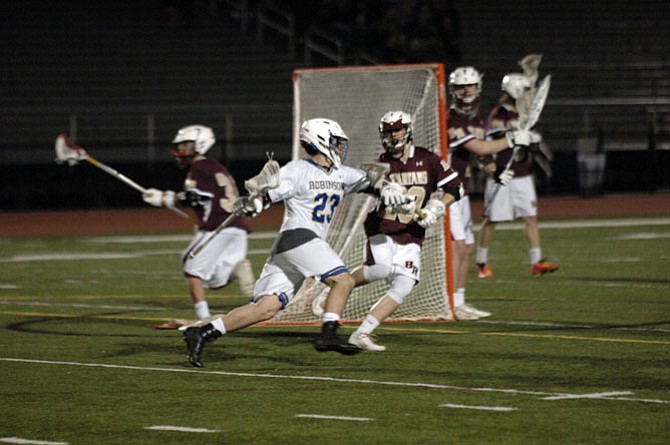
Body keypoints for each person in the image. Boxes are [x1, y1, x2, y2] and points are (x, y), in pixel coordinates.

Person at [180, 118, 404, 367]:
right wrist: (254, 203)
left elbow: (371, 179)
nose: (340, 148)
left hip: (296, 245)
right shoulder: (297, 170)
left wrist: (387, 188)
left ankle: (202, 333)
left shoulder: (341, 174)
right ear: (321, 141)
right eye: (336, 143)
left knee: (265, 309)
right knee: (343, 280)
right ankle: (328, 335)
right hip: (298, 236)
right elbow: (268, 194)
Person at [347, 111, 464, 351]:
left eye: (397, 129)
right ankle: (342, 284)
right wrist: (381, 188)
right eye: (389, 131)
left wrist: (437, 206)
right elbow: (362, 185)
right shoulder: (380, 164)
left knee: (404, 284)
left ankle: (362, 333)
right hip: (384, 229)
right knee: (380, 269)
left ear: (408, 130)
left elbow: (455, 187)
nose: (393, 135)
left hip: (412, 234)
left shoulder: (427, 158)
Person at [142, 125, 255, 323]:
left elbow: (194, 198)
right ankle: (236, 269)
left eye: (186, 145)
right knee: (213, 279)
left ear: (200, 144)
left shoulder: (199, 168)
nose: (181, 150)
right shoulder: (215, 166)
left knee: (191, 268)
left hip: (218, 227)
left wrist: (164, 199)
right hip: (236, 227)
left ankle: (203, 318)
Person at [446, 66, 534, 320]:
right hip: (444, 189)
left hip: (459, 189)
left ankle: (459, 302)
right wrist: (512, 139)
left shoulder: (475, 119)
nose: (467, 90)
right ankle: (451, 304)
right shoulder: (451, 118)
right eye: (462, 86)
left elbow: (481, 156)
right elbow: (479, 145)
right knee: (458, 246)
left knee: (467, 247)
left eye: (471, 85)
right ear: (454, 90)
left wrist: (494, 172)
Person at [476, 73, 559, 278]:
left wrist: (532, 139)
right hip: (502, 173)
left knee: (531, 217)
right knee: (492, 220)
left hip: (523, 174)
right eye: (524, 91)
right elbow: (492, 135)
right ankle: (481, 263)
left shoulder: (524, 113)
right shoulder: (499, 113)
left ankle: (536, 262)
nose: (528, 95)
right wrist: (513, 131)